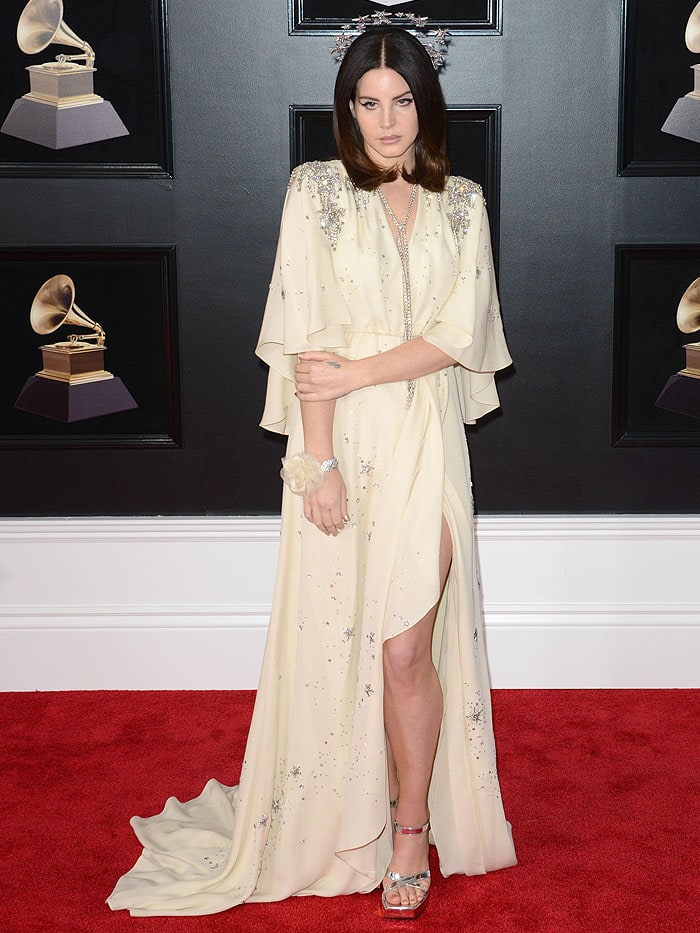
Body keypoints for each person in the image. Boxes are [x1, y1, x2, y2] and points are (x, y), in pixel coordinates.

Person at [107, 24, 516, 921]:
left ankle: (411, 824)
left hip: (428, 439)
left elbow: (459, 333)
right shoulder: (315, 192)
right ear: (346, 110)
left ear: (425, 103)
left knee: (408, 643)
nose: (387, 120)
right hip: (342, 447)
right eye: (368, 103)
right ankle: (348, 814)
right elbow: (307, 337)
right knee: (346, 641)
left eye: (401, 99)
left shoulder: (464, 202)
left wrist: (363, 371)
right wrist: (318, 461)